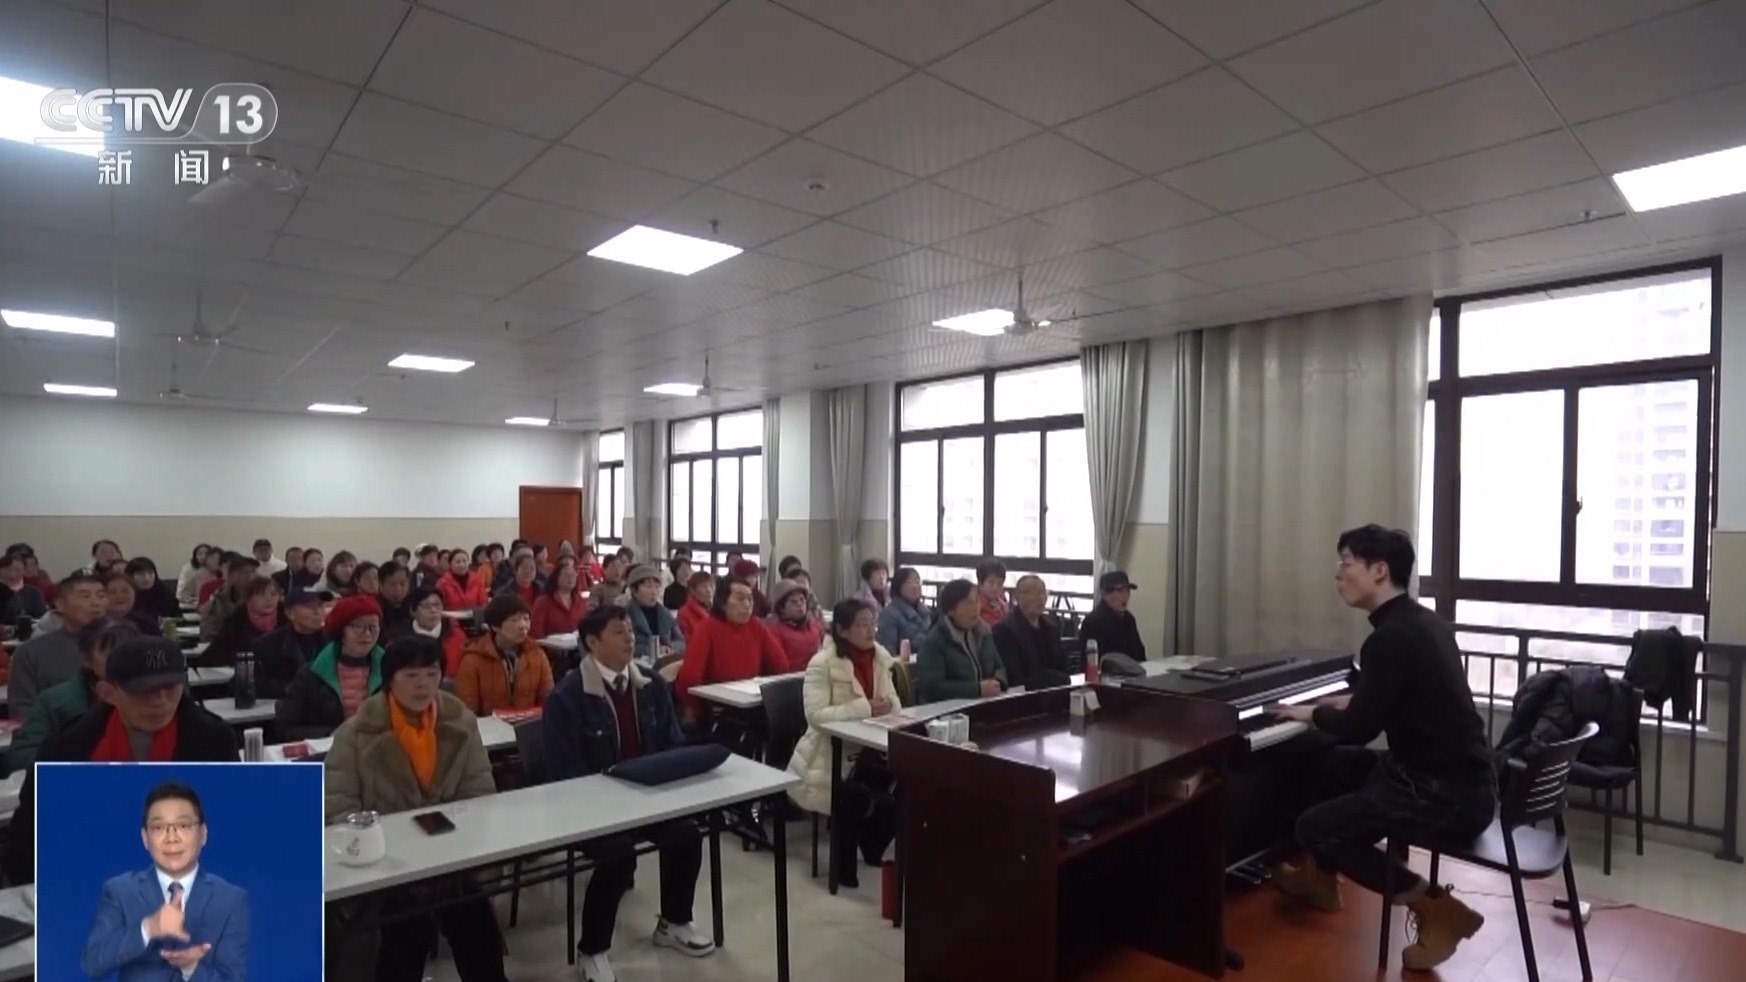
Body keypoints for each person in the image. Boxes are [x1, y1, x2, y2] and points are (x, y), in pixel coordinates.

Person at [1268, 525, 1496, 970]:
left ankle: (1437, 908)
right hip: (1463, 783)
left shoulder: (1389, 639)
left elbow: (1357, 729)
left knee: (1315, 828)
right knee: (1333, 765)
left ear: (1379, 571)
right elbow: (1403, 698)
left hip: (1442, 795)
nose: (1338, 574)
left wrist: (1313, 714)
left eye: (1346, 562)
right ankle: (1320, 879)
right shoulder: (1422, 623)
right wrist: (1349, 702)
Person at [543, 607, 717, 980]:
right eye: (619, 632)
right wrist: (612, 800)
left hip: (646, 797)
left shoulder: (650, 684)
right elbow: (563, 772)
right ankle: (592, 950)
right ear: (592, 642)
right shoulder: (567, 696)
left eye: (630, 631)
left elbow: (673, 743)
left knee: (686, 834)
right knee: (618, 853)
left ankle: (673, 922)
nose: (630, 638)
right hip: (590, 808)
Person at [323, 637, 507, 982]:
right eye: (411, 675)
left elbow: (480, 795)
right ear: (389, 680)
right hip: (385, 868)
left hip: (449, 858)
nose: (423, 684)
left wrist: (449, 842)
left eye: (431, 673)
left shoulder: (460, 723)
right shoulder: (354, 735)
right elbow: (339, 812)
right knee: (408, 928)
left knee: (476, 921)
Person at [5, 636, 240, 885]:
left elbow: (235, 824)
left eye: (170, 688)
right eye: (144, 691)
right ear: (108, 693)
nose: (160, 700)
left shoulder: (214, 741)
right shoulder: (67, 749)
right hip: (87, 879)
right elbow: (28, 836)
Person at [79, 781, 249, 981]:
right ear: (145, 838)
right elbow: (92, 963)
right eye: (159, 827)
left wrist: (192, 968)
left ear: (203, 834)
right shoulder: (120, 891)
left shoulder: (230, 899)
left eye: (183, 825)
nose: (171, 838)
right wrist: (148, 928)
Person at [787, 599, 900, 887]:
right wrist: (865, 708)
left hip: (873, 745)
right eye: (862, 625)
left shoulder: (880, 658)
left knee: (907, 785)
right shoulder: (822, 663)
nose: (870, 631)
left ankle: (872, 843)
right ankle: (843, 866)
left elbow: (894, 702)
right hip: (830, 751)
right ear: (842, 630)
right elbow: (815, 716)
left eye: (872, 624)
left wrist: (888, 706)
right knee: (851, 791)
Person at [4, 617, 137, 775]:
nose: (120, 660)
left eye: (128, 652)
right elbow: (21, 757)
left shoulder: (155, 698)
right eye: (110, 652)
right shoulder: (53, 702)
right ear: (86, 659)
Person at [276, 595, 386, 740]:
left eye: (373, 627)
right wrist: (330, 734)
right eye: (358, 626)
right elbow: (286, 728)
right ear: (341, 631)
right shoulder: (312, 674)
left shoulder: (392, 670)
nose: (367, 634)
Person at [674, 578, 786, 718]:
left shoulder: (756, 626)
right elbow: (689, 678)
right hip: (718, 708)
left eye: (750, 599)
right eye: (740, 599)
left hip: (752, 702)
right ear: (723, 603)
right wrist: (701, 708)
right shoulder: (707, 628)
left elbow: (780, 664)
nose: (747, 605)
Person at [7, 571, 108, 722]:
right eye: (85, 596)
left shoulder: (126, 644)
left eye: (101, 596)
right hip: (53, 731)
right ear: (60, 605)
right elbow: (22, 708)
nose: (96, 603)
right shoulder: (31, 651)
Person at [455, 595, 554, 716]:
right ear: (495, 626)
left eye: (526, 619)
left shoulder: (537, 654)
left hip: (529, 723)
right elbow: (467, 709)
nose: (523, 625)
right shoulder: (473, 659)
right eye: (514, 620)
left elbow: (548, 699)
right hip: (489, 726)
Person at [915, 579, 1007, 704]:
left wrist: (998, 682)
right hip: (949, 709)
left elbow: (999, 667)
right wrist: (977, 689)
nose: (975, 608)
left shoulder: (983, 632)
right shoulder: (935, 641)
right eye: (968, 603)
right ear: (951, 610)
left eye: (977, 601)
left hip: (985, 702)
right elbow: (931, 687)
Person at [993, 574, 1071, 690]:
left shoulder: (1051, 627)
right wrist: (1053, 678)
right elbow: (1015, 678)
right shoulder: (1005, 631)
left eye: (1042, 592)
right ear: (1017, 597)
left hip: (1056, 692)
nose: (1040, 598)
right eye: (1032, 593)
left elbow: (1064, 667)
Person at [252, 586, 330, 699]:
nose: (317, 612)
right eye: (309, 606)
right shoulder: (266, 645)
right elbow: (256, 684)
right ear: (290, 613)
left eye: (320, 606)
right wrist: (292, 689)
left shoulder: (335, 642)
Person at [203, 575, 285, 668]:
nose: (269, 599)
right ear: (249, 598)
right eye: (261, 595)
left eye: (273, 594)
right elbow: (216, 653)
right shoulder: (238, 618)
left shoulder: (287, 617)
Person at [1079, 570, 1146, 661]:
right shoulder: (1092, 622)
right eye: (1121, 590)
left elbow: (1139, 654)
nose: (1126, 595)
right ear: (1105, 594)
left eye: (1127, 590)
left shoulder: (1129, 619)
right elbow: (1095, 661)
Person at [626, 565, 685, 661]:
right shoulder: (626, 615)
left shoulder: (665, 614)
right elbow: (623, 646)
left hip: (665, 661)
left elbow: (681, 641)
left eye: (657, 587)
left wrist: (669, 647)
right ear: (634, 591)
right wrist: (653, 649)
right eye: (648, 587)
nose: (653, 592)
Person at [404, 586, 466, 677]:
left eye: (437, 605)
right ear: (413, 611)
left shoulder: (457, 636)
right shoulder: (401, 638)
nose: (433, 610)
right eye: (427, 606)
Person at [765, 578, 823, 673]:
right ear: (782, 608)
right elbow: (777, 666)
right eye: (793, 602)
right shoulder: (774, 630)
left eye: (802, 599)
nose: (800, 604)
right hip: (790, 678)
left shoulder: (814, 624)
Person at [199, 554, 260, 642]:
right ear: (231, 576)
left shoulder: (266, 600)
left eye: (254, 571)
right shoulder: (217, 603)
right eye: (245, 572)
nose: (251, 576)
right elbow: (208, 635)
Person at [876, 566, 931, 655]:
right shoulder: (889, 614)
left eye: (917, 581)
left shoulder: (925, 612)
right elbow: (887, 651)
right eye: (909, 582)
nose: (915, 586)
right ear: (898, 587)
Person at [529, 561, 587, 640]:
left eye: (573, 575)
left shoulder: (581, 601)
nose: (571, 578)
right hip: (548, 645)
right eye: (567, 575)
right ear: (557, 578)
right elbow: (535, 632)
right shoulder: (543, 602)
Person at [0, 548, 49, 622]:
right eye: (8, 569)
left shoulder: (33, 592)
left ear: (24, 571)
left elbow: (42, 619)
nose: (12, 574)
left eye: (18, 570)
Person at [375, 561, 414, 638]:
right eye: (392, 584)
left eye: (402, 584)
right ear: (380, 585)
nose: (398, 589)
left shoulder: (415, 606)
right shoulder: (374, 609)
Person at [675, 571, 714, 641]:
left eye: (711, 586)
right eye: (703, 586)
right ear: (692, 590)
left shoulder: (717, 610)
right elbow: (687, 641)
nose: (708, 590)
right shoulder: (684, 612)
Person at [974, 558, 1009, 626]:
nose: (995, 588)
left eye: (1000, 584)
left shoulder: (1003, 602)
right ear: (980, 583)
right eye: (991, 583)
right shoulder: (975, 605)